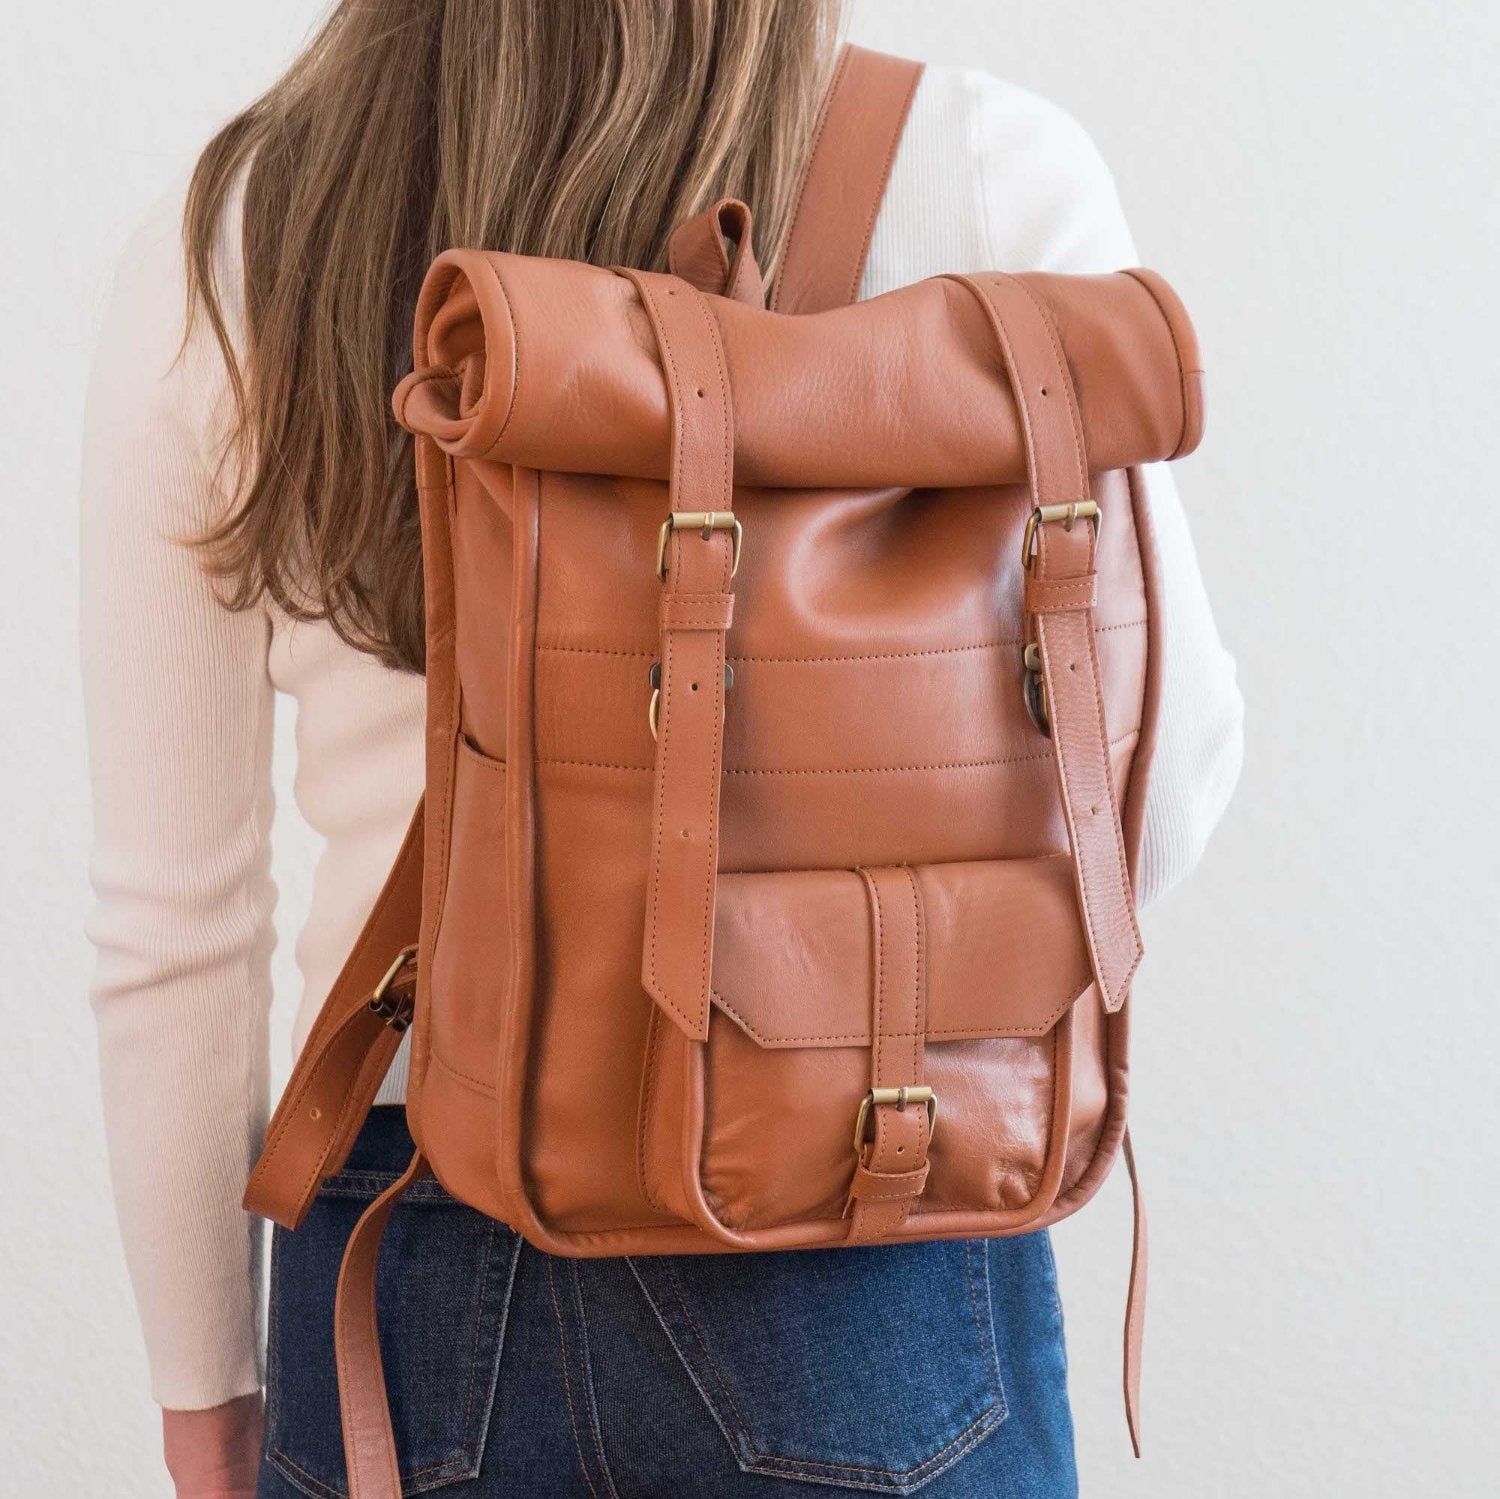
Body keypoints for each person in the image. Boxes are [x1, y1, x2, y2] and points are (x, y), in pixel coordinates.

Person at [81, 3, 1244, 1495]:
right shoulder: (982, 165)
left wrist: (207, 1392)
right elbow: (1168, 779)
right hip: (860, 1205)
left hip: (403, 1249)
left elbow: (173, 928)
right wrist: (838, 963)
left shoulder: (241, 236)